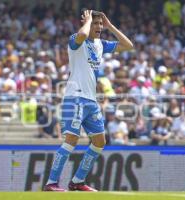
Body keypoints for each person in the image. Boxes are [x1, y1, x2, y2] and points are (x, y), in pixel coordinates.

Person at [44, 9, 133, 191]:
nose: (99, 27)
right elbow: (83, 33)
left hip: (91, 101)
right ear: (87, 23)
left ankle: (77, 181)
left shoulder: (101, 44)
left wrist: (110, 26)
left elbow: (128, 45)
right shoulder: (75, 40)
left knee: (100, 142)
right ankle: (51, 183)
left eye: (101, 24)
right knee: (71, 140)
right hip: (75, 97)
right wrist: (88, 20)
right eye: (96, 23)